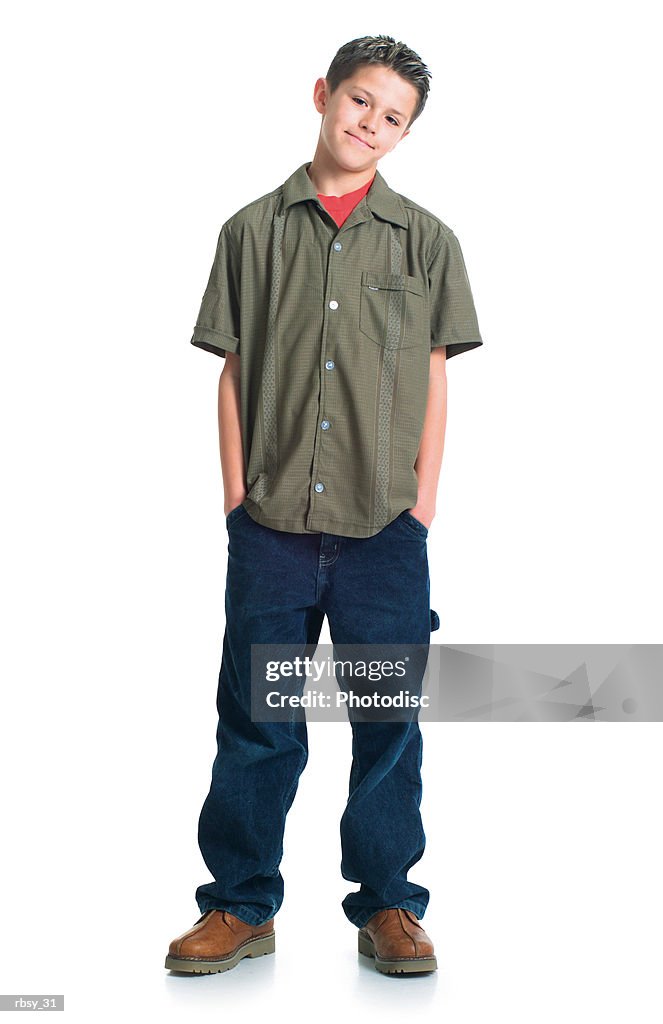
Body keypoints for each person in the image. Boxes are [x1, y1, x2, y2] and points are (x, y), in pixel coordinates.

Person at [165, 34, 483, 977]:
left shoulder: (426, 241)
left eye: (393, 119)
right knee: (260, 722)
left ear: (405, 133)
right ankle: (239, 906)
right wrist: (236, 498)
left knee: (387, 723)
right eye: (359, 103)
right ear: (322, 94)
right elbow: (229, 371)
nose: (370, 126)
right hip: (269, 528)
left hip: (385, 530)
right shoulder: (250, 231)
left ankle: (387, 904)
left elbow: (434, 377)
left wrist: (420, 507)